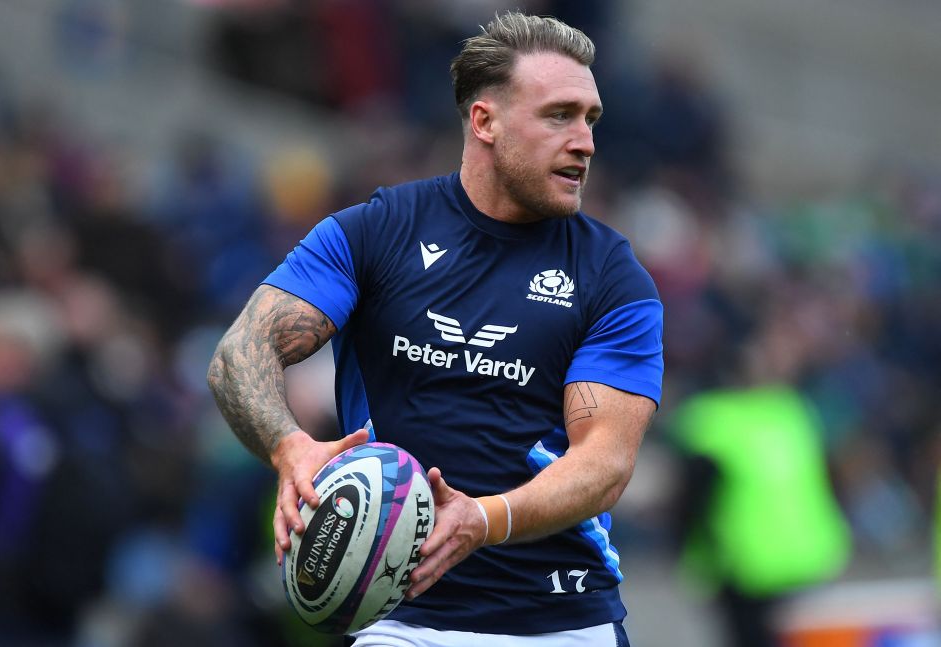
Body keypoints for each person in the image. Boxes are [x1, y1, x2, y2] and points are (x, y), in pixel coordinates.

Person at [208, 11, 663, 646]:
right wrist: (292, 449)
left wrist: (484, 518)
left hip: (562, 621)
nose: (584, 141)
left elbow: (606, 464)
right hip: (402, 623)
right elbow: (238, 354)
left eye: (591, 119)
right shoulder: (375, 233)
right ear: (485, 121)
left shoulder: (613, 277)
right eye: (559, 115)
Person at [667, 319, 851, 647]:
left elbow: (692, 501)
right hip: (808, 555)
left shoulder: (708, 422)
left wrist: (688, 556)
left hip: (745, 566)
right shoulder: (792, 411)